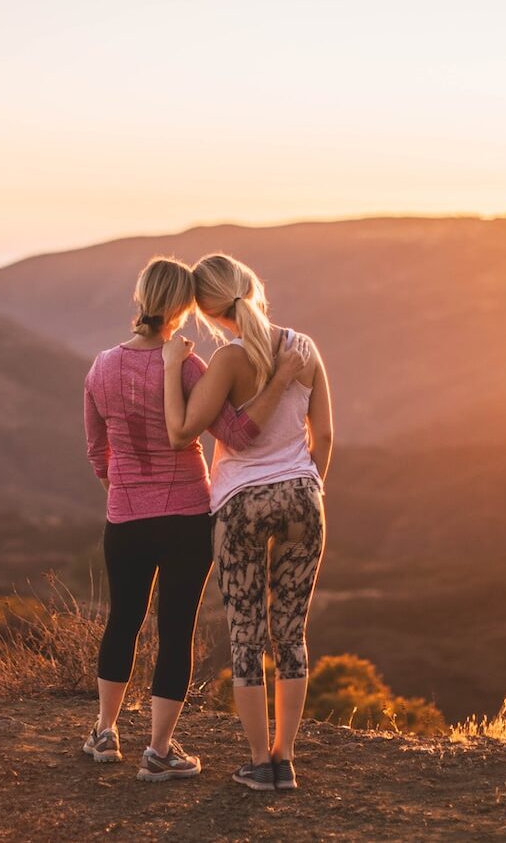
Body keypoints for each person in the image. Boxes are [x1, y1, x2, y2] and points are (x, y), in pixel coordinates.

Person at [81, 256, 306, 781]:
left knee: (123, 620)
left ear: (139, 300)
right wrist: (280, 385)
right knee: (175, 629)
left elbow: (97, 450)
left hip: (126, 518)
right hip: (187, 517)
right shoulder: (189, 368)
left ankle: (104, 732)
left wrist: (123, 490)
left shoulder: (101, 367)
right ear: (184, 309)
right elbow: (238, 434)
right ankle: (159, 751)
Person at [161, 253, 332, 792]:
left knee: (247, 634)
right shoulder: (304, 348)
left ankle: (260, 762)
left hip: (240, 506)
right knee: (291, 632)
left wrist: (171, 369)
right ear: (253, 286)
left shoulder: (229, 362)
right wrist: (309, 486)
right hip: (304, 497)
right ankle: (286, 758)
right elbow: (323, 436)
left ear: (209, 314)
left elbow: (195, 428)